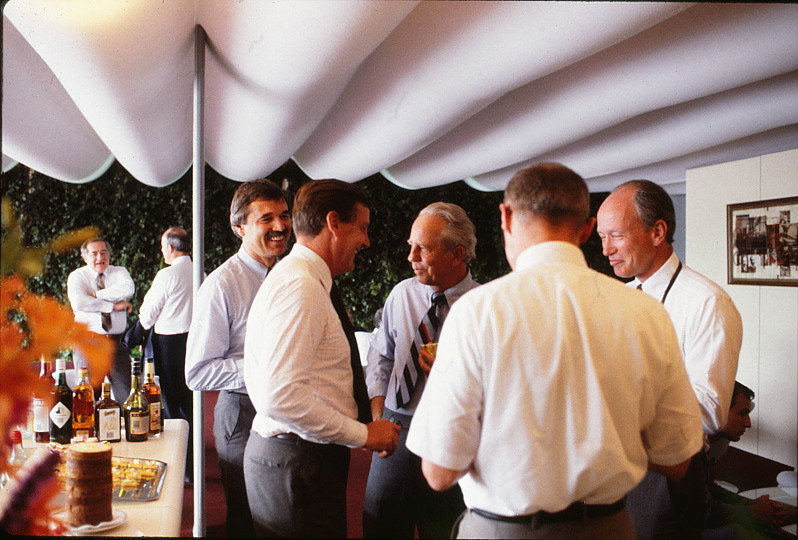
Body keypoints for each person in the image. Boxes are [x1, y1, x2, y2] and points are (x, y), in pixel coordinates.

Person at [406, 163, 704, 539]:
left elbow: (439, 472)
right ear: (585, 229)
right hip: (609, 529)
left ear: (506, 216)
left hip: (502, 531)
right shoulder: (648, 314)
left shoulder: (476, 312)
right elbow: (677, 461)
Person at [243, 179, 401, 537]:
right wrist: (363, 434)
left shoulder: (301, 279)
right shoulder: (301, 285)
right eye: (361, 228)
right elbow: (280, 396)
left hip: (298, 459)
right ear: (333, 223)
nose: (366, 240)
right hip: (297, 462)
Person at [597, 179, 743, 539]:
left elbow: (710, 411)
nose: (605, 250)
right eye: (602, 236)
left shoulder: (708, 303)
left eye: (615, 235)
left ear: (658, 231)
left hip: (666, 477)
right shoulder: (621, 297)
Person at [363, 202, 479, 538]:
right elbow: (381, 357)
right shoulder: (401, 294)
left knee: (444, 529)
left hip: (449, 432)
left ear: (457, 254)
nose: (411, 256)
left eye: (422, 248)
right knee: (379, 526)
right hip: (394, 427)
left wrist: (452, 374)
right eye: (410, 246)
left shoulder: (482, 306)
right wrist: (377, 414)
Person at [185, 178, 291, 537]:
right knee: (248, 522)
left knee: (282, 518)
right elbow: (197, 372)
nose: (280, 226)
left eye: (284, 215)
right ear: (239, 227)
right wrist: (266, 370)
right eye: (267, 219)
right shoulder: (222, 284)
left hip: (289, 411)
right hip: (243, 416)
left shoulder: (290, 274)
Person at [138, 227, 194, 478]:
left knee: (171, 405)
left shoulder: (167, 274)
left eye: (163, 246)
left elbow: (147, 314)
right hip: (192, 342)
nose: (162, 251)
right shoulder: (201, 270)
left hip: (168, 345)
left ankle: (181, 464)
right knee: (191, 402)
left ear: (171, 248)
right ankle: (193, 464)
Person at [703, 382, 790, 539]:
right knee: (740, 532)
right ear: (718, 410)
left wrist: (749, 504)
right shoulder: (689, 449)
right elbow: (703, 510)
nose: (748, 423)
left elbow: (709, 489)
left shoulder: (709, 445)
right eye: (742, 414)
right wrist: (751, 512)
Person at [67, 237, 134, 402]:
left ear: (109, 255)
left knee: (126, 397)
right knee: (87, 398)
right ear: (85, 257)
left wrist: (96, 295)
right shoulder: (77, 276)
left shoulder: (119, 272)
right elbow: (79, 302)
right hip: (88, 343)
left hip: (116, 344)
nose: (99, 258)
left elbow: (128, 288)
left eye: (103, 252)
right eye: (94, 253)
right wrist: (112, 306)